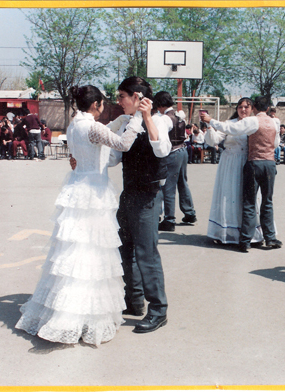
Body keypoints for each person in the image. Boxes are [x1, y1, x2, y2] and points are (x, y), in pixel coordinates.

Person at [15, 84, 143, 346]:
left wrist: (120, 120)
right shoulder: (92, 127)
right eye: (104, 103)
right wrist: (137, 119)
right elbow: (122, 143)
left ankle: (71, 311)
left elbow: (102, 139)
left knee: (75, 251)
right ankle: (81, 316)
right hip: (93, 190)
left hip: (78, 185)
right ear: (96, 105)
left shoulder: (76, 124)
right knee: (90, 251)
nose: (106, 106)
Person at [107, 76, 171, 333]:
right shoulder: (125, 123)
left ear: (137, 98)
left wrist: (145, 118)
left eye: (122, 96)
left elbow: (162, 150)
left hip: (147, 196)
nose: (118, 101)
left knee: (146, 254)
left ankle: (158, 310)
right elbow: (113, 158)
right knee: (125, 249)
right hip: (129, 194)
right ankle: (133, 302)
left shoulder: (158, 121)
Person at [201, 96, 282, 253]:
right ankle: (238, 234)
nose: (243, 109)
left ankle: (249, 237)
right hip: (232, 161)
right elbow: (216, 139)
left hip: (250, 161)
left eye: (247, 107)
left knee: (251, 201)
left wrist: (211, 120)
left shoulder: (251, 122)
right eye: (240, 107)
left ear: (253, 108)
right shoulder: (237, 123)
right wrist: (210, 126)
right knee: (241, 198)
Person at [153, 91, 197, 232]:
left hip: (172, 153)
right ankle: (189, 213)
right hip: (183, 150)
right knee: (183, 183)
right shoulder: (179, 116)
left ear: (159, 104)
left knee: (168, 186)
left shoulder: (165, 119)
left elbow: (162, 137)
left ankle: (169, 219)